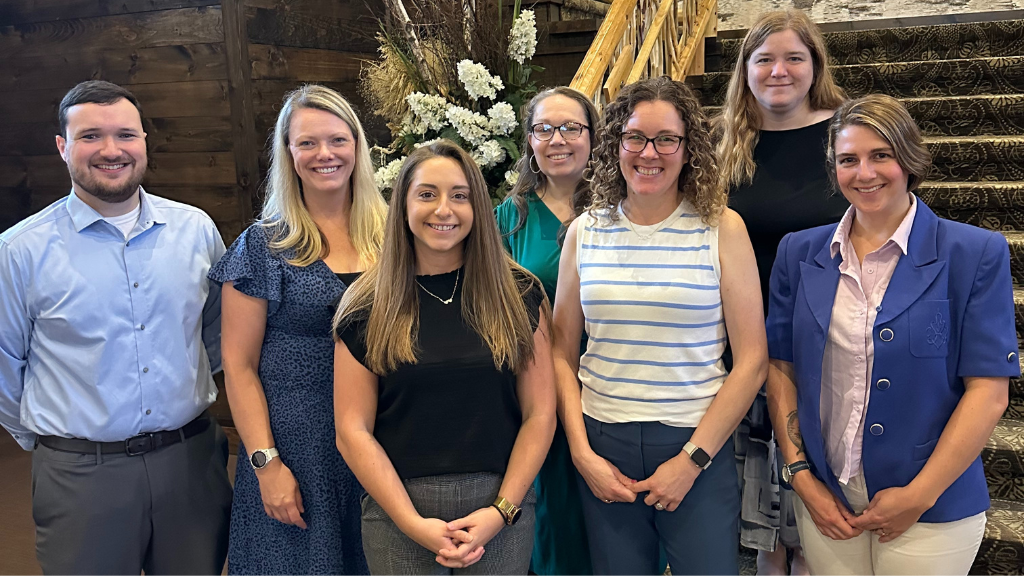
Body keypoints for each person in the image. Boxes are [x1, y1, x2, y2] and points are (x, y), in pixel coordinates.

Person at [765, 94, 1018, 574]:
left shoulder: (974, 252)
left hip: (930, 503)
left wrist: (918, 496)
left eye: (881, 155)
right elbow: (781, 369)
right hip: (827, 498)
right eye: (848, 160)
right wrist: (802, 478)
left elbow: (988, 393)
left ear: (910, 158)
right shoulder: (799, 253)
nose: (865, 173)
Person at [0, 80, 231, 574]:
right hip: (80, 475)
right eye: (90, 136)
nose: (111, 150)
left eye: (125, 134)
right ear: (62, 147)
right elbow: (3, 365)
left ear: (144, 141)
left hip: (189, 465)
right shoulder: (20, 251)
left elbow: (218, 338)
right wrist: (57, 445)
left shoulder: (195, 231)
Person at [551, 76, 768, 575]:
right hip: (604, 443)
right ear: (616, 145)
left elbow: (753, 359)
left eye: (666, 139)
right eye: (635, 138)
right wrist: (582, 453)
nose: (650, 153)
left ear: (689, 149)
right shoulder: (586, 231)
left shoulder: (722, 228)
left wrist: (691, 460)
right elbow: (561, 353)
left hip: (696, 441)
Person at [333, 140, 557, 574]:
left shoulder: (520, 294)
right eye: (427, 194)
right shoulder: (365, 303)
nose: (444, 209)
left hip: (501, 506)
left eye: (459, 195)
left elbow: (540, 414)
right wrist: (411, 522)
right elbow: (351, 429)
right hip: (398, 510)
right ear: (402, 205)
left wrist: (501, 511)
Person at [209, 84, 386, 574]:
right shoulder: (263, 246)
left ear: (357, 146)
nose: (324, 154)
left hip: (381, 441)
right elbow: (239, 367)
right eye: (307, 142)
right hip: (295, 452)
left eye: (337, 140)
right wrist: (266, 466)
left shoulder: (393, 236)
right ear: (288, 153)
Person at [714, 9, 847, 573]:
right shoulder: (724, 142)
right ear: (744, 69)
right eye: (764, 59)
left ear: (815, 65)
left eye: (794, 57)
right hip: (743, 341)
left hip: (827, 339)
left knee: (819, 510)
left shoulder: (849, 131)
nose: (779, 71)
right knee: (765, 518)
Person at [495, 86, 599, 576]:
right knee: (545, 523)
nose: (558, 139)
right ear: (529, 141)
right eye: (544, 129)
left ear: (593, 137)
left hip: (604, 392)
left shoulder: (621, 212)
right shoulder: (505, 221)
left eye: (572, 127)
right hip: (530, 393)